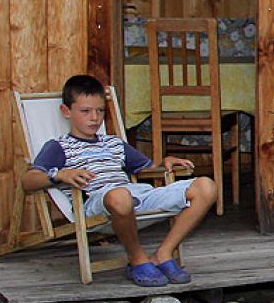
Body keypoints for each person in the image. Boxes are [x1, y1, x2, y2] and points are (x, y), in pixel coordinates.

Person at [22, 73, 218, 286]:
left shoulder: (114, 143)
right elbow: (28, 181)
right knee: (119, 196)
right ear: (66, 111)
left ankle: (163, 253)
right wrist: (60, 174)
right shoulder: (59, 147)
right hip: (96, 203)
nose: (94, 118)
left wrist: (165, 162)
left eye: (99, 111)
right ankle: (137, 259)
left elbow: (148, 169)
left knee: (206, 187)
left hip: (134, 196)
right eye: (86, 111)